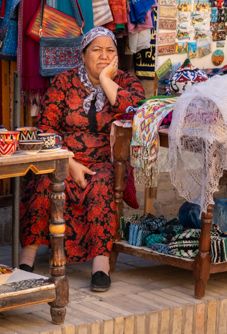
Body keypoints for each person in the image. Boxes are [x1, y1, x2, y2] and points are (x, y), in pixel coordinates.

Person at [18, 27, 145, 292]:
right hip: (64, 157)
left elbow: (132, 112)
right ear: (83, 55)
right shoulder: (64, 82)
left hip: (106, 162)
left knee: (100, 188)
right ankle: (26, 261)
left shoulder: (128, 82)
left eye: (110, 50)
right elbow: (46, 127)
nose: (103, 55)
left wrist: (108, 80)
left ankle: (101, 267)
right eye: (96, 50)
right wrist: (68, 164)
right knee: (45, 184)